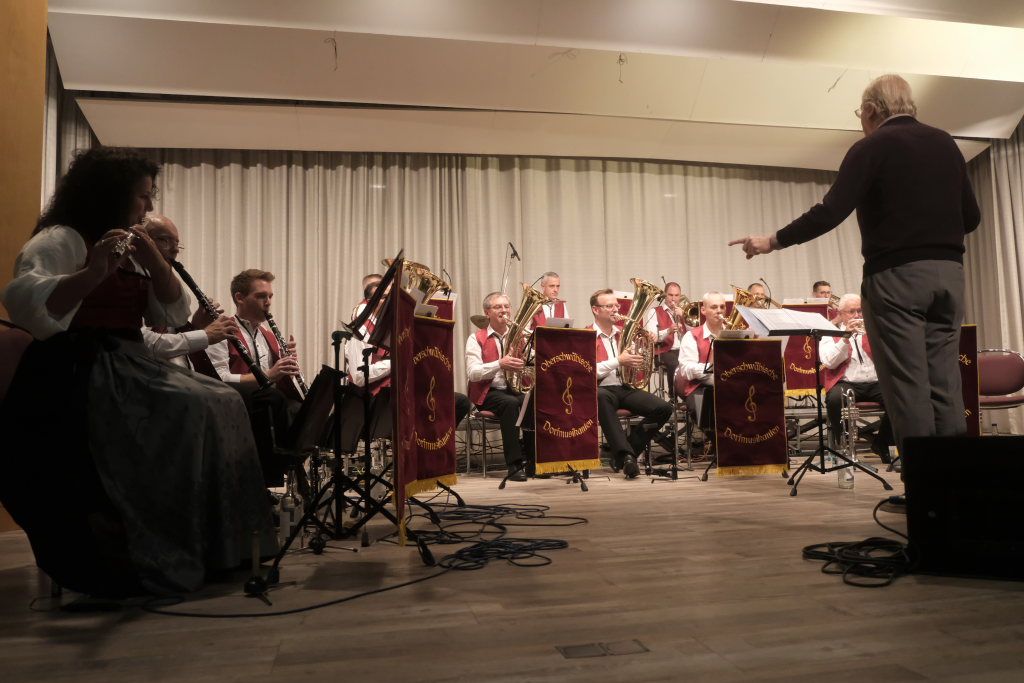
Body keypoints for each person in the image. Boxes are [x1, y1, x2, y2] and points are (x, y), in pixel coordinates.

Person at [0, 147, 274, 596]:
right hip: (81, 364)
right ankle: (165, 542)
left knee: (224, 400)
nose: (148, 205)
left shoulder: (130, 246)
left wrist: (154, 258)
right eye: (143, 196)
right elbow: (27, 304)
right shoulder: (61, 239)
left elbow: (173, 310)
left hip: (130, 361)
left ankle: (225, 548)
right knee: (194, 407)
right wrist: (94, 271)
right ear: (110, 194)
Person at [730, 74, 981, 465]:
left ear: (870, 110)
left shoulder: (872, 146)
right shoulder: (945, 143)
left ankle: (924, 485)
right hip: (950, 276)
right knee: (945, 382)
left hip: (897, 279)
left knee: (907, 385)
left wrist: (772, 240)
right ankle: (955, 481)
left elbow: (830, 211)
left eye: (859, 114)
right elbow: (972, 217)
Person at [139, 214, 236, 377]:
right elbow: (144, 343)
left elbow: (171, 334)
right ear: (142, 240)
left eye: (177, 244)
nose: (175, 250)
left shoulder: (169, 283)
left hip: (178, 376)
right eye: (164, 240)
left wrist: (196, 326)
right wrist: (205, 335)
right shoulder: (133, 281)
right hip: (147, 376)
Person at [591, 289, 673, 479]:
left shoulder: (624, 334)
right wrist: (618, 361)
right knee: (601, 397)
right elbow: (589, 370)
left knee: (663, 408)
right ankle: (626, 456)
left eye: (616, 305)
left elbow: (639, 364)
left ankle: (626, 454)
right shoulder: (586, 335)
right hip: (600, 389)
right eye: (609, 306)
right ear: (596, 310)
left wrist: (646, 346)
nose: (615, 309)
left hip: (624, 387)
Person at [466, 292, 535, 481]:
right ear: (487, 312)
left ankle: (533, 461)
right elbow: (473, 373)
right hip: (488, 392)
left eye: (506, 306)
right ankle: (514, 464)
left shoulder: (521, 337)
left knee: (533, 400)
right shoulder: (476, 338)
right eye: (498, 307)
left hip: (515, 389)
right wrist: (499, 364)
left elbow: (533, 363)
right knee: (510, 404)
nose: (504, 311)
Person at [820, 294, 894, 461]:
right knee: (834, 400)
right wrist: (845, 338)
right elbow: (829, 363)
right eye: (851, 311)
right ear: (841, 314)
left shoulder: (874, 330)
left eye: (860, 311)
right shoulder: (829, 334)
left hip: (876, 382)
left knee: (901, 398)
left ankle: (883, 443)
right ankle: (845, 447)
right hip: (846, 383)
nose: (857, 315)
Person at [677, 292, 728, 438]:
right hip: (700, 386)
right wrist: (710, 367)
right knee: (709, 404)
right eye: (714, 307)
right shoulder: (691, 336)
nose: (719, 311)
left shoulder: (733, 334)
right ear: (703, 310)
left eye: (722, 307)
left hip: (729, 385)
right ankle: (719, 445)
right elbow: (686, 370)